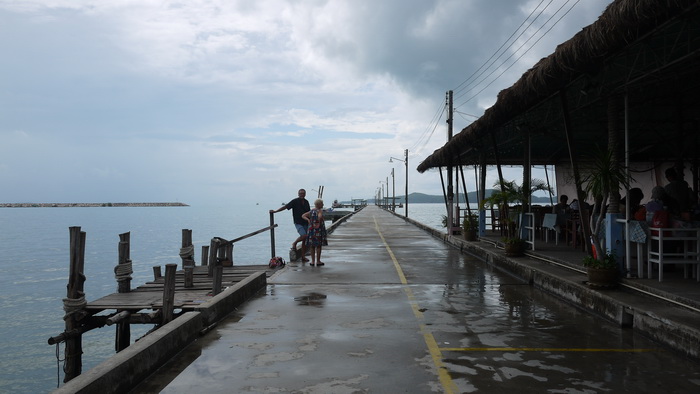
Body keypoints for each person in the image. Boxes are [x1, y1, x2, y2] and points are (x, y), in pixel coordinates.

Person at [270, 189, 310, 262]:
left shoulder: (306, 202)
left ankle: (303, 257)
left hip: (306, 222)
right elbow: (285, 207)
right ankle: (294, 243)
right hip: (298, 222)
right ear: (298, 194)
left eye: (303, 193)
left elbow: (308, 212)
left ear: (305, 194)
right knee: (304, 236)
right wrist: (275, 211)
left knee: (305, 240)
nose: (302, 194)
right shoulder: (295, 201)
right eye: (300, 193)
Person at [302, 198, 328, 266]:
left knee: (312, 246)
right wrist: (319, 218)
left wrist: (308, 220)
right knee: (318, 245)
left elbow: (303, 215)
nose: (323, 204)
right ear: (319, 204)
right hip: (318, 229)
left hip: (311, 229)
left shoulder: (311, 211)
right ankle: (318, 261)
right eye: (322, 203)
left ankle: (313, 261)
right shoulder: (319, 211)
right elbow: (319, 216)